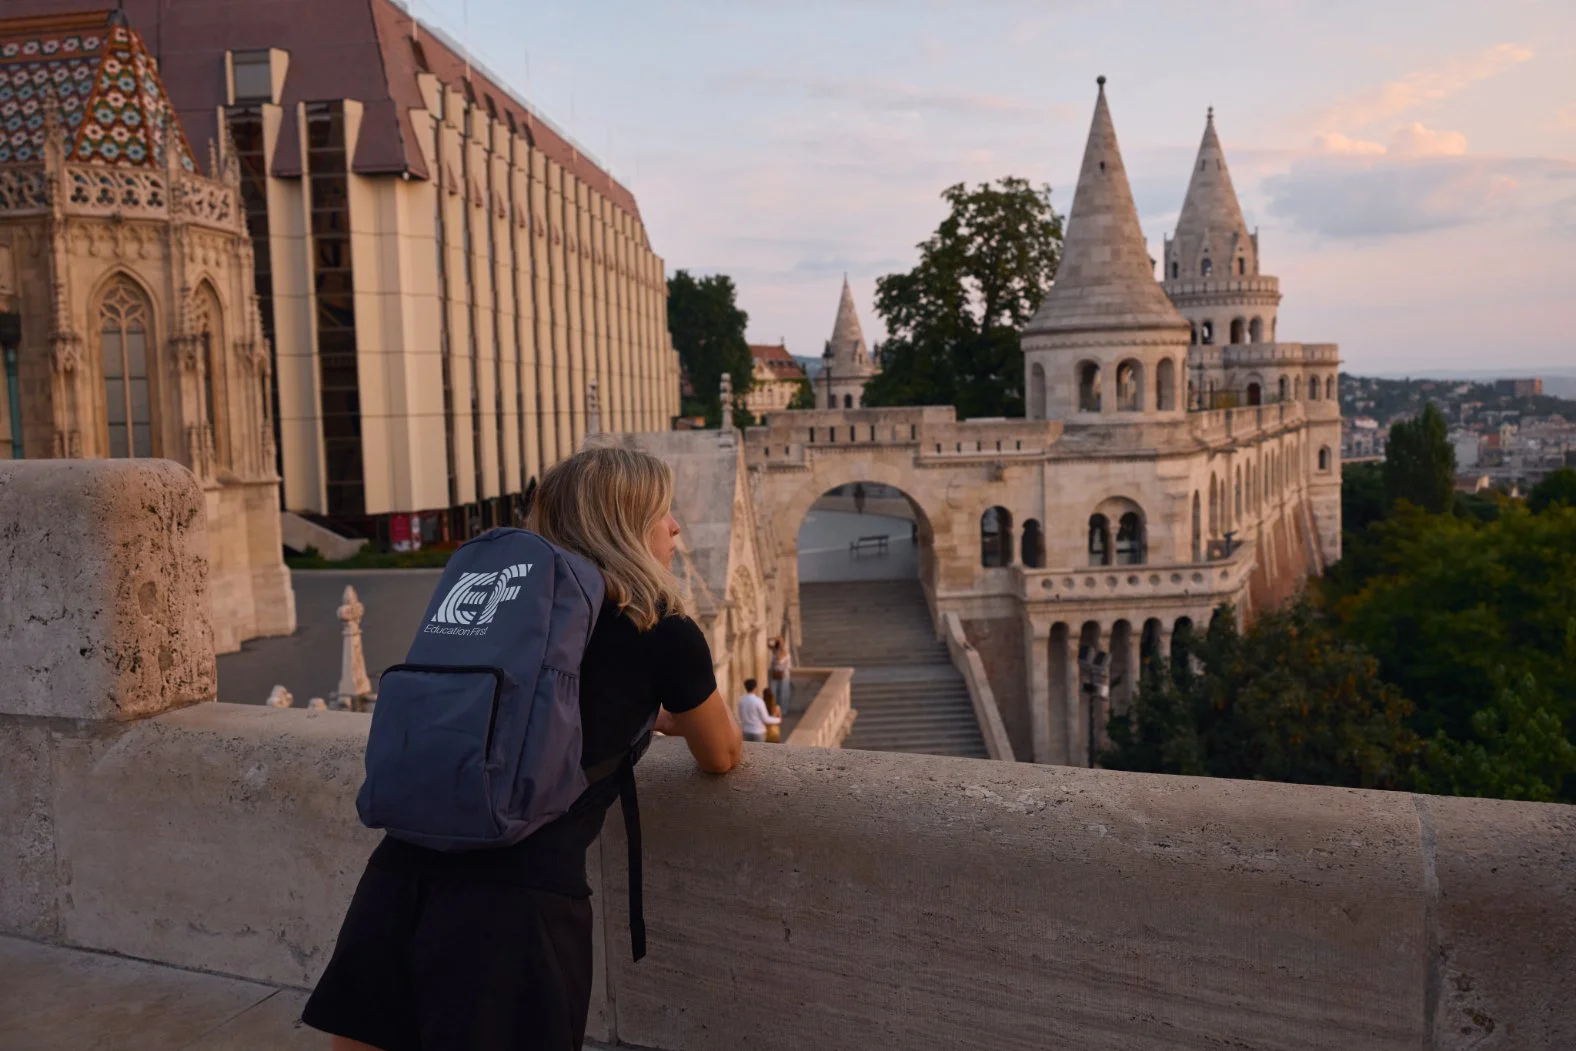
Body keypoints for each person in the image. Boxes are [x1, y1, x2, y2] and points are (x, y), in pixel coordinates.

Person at [302, 446, 743, 1051]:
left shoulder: (498, 606)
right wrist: (661, 716)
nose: (674, 528)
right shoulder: (659, 627)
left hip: (401, 868)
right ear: (623, 526)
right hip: (518, 904)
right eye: (662, 513)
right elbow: (720, 754)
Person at [736, 678, 779, 743]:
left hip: (746, 730)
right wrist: (778, 720)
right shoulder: (759, 701)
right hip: (758, 731)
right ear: (755, 688)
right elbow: (765, 719)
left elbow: (740, 716)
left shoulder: (741, 700)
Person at [768, 637, 792, 717]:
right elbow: (767, 643)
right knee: (773, 692)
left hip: (784, 674)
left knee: (783, 693)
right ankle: (774, 709)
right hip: (775, 674)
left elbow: (778, 659)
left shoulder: (784, 652)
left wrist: (778, 647)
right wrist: (774, 638)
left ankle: (783, 710)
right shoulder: (775, 650)